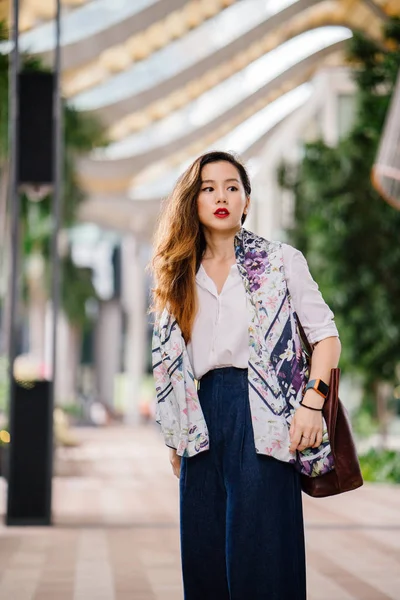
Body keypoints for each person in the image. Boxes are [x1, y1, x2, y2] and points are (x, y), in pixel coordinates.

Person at [150, 150, 341, 600]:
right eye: (208, 188)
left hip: (265, 415)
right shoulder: (178, 274)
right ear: (192, 201)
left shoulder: (280, 261)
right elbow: (169, 363)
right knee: (205, 560)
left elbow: (327, 338)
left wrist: (312, 404)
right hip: (202, 421)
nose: (221, 196)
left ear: (246, 201)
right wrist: (176, 436)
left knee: (264, 560)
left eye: (232, 187)